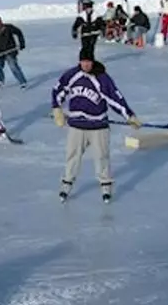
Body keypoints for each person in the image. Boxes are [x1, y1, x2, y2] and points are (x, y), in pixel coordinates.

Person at [51, 49, 141, 204]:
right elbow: (57, 91)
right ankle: (66, 184)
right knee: (72, 156)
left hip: (98, 126)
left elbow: (115, 99)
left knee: (102, 157)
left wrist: (129, 115)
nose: (86, 64)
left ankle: (105, 186)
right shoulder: (72, 75)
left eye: (88, 61)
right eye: (83, 61)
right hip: (76, 125)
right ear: (79, 61)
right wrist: (57, 109)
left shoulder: (101, 78)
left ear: (93, 62)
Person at [0, 15, 28, 88]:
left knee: (13, 66)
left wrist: (22, 43)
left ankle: (23, 82)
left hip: (10, 51)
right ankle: (0, 81)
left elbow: (19, 32)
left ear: (1, 22)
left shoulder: (8, 28)